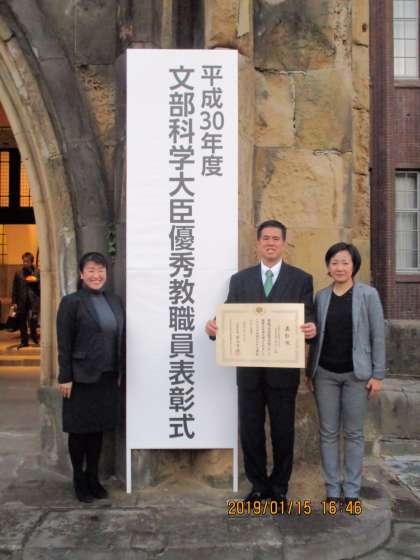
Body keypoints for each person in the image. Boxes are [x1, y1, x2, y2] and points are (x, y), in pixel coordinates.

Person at [205, 220, 316, 505]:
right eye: (265, 238)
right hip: (249, 373)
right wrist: (214, 328)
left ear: (283, 243)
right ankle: (257, 486)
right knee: (251, 431)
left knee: (283, 432)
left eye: (276, 238)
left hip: (283, 373)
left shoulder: (301, 279)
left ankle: (279, 488)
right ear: (257, 243)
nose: (270, 243)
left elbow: (308, 316)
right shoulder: (240, 280)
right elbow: (229, 315)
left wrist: (311, 328)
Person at [306, 242, 386, 507]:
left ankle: (351, 491)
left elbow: (378, 336)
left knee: (353, 434)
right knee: (328, 433)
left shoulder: (368, 295)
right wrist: (310, 372)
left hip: (357, 375)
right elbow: (315, 339)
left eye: (345, 262)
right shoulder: (322, 297)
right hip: (325, 374)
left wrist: (378, 375)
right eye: (334, 263)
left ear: (354, 266)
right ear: (328, 267)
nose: (339, 267)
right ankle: (332, 489)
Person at [57, 252, 125, 503]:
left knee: (97, 430)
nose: (96, 275)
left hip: (107, 376)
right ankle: (79, 479)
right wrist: (65, 376)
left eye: (100, 270)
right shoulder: (71, 302)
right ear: (82, 274)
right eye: (91, 270)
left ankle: (93, 478)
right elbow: (64, 342)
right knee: (79, 431)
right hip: (80, 376)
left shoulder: (114, 301)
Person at [12, 252, 40, 348]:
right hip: (22, 300)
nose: (25, 263)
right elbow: (14, 288)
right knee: (22, 321)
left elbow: (42, 285)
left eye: (27, 261)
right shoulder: (18, 273)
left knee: (34, 320)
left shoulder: (37, 272)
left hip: (34, 300)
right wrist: (14, 302)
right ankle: (24, 341)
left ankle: (34, 335)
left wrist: (36, 281)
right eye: (24, 261)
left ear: (31, 262)